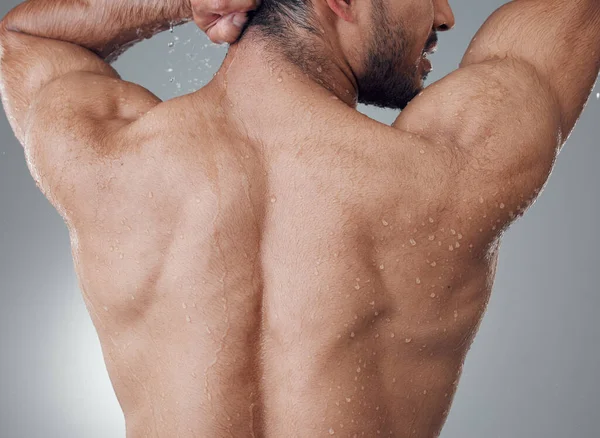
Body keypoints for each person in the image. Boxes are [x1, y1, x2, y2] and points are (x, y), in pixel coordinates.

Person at [0, 0, 599, 435]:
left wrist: (181, 2)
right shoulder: (445, 168)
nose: (443, 15)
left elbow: (23, 39)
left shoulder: (112, 162)